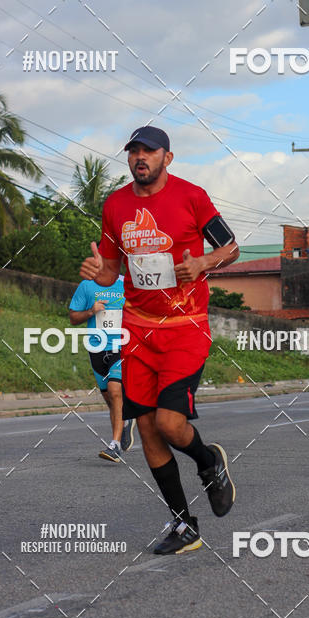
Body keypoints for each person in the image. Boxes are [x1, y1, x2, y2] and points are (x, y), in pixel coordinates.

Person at [79, 125, 239, 555]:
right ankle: (185, 526)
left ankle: (210, 464)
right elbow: (113, 270)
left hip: (185, 326)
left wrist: (203, 260)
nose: (139, 158)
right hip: (138, 329)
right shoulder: (115, 204)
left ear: (168, 157)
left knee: (170, 424)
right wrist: (101, 274)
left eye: (149, 151)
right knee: (148, 429)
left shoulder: (192, 196)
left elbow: (232, 248)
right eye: (133, 152)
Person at [69, 275, 134, 462]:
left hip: (122, 346)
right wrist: (91, 311)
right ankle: (126, 420)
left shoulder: (127, 284)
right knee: (110, 399)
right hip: (97, 348)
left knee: (115, 392)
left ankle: (114, 445)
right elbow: (74, 317)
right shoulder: (87, 286)